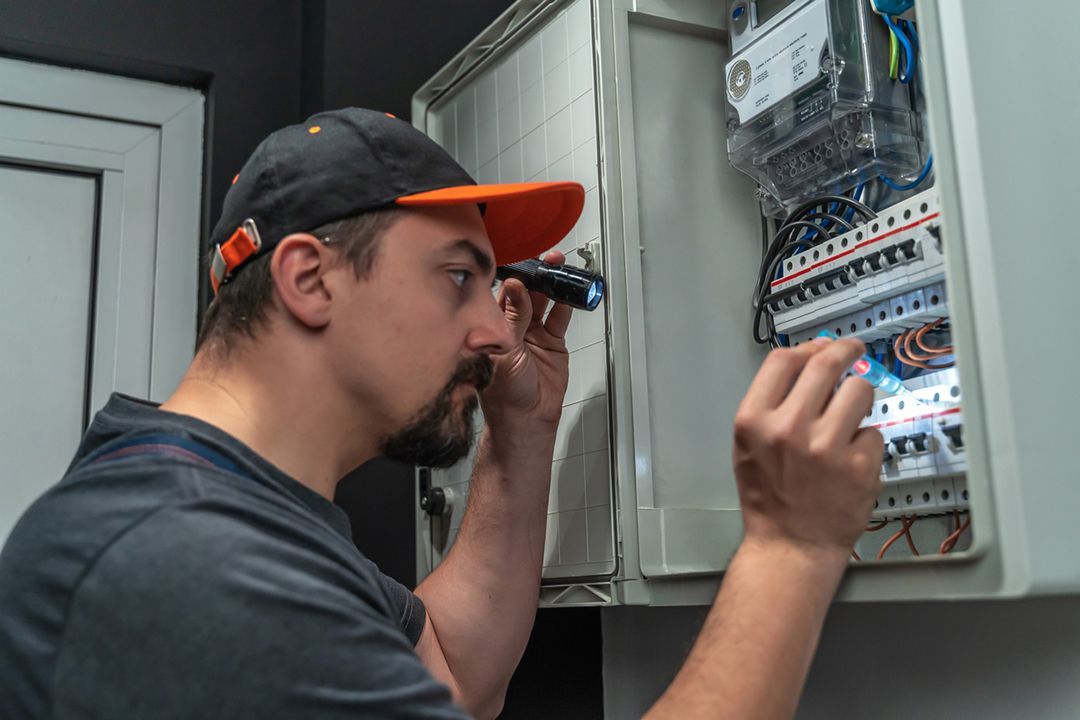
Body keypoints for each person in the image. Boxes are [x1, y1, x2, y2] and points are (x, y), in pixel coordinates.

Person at [0, 107, 882, 719]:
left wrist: (524, 434)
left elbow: (457, 674)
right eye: (459, 276)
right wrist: (790, 548)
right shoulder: (187, 560)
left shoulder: (224, 508)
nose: (494, 321)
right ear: (310, 279)